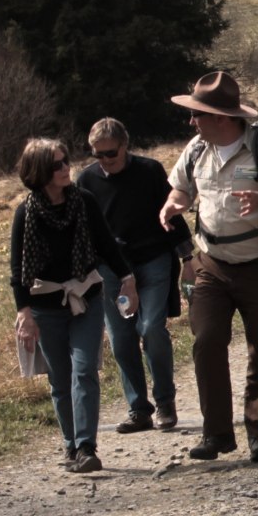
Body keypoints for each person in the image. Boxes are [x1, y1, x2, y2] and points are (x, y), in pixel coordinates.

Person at [160, 72, 258, 463]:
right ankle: (217, 435)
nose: (192, 121)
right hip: (211, 265)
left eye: (197, 114)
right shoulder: (196, 149)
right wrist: (174, 203)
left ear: (221, 117)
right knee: (206, 343)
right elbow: (181, 187)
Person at [11, 138, 138, 473]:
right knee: (61, 378)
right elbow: (17, 272)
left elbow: (106, 245)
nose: (66, 168)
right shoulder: (26, 213)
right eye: (56, 165)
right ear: (39, 171)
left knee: (84, 371)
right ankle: (71, 445)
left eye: (65, 161)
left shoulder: (84, 202)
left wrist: (127, 278)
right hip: (45, 307)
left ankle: (86, 447)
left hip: (85, 300)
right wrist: (24, 314)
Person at [76, 118, 192, 434]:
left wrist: (188, 257)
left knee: (152, 328)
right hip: (112, 269)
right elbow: (82, 231)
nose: (104, 161)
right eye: (97, 155)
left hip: (153, 260)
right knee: (121, 338)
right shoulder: (86, 180)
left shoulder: (150, 171)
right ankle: (138, 408)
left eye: (110, 153)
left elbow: (173, 216)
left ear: (125, 146)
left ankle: (165, 401)